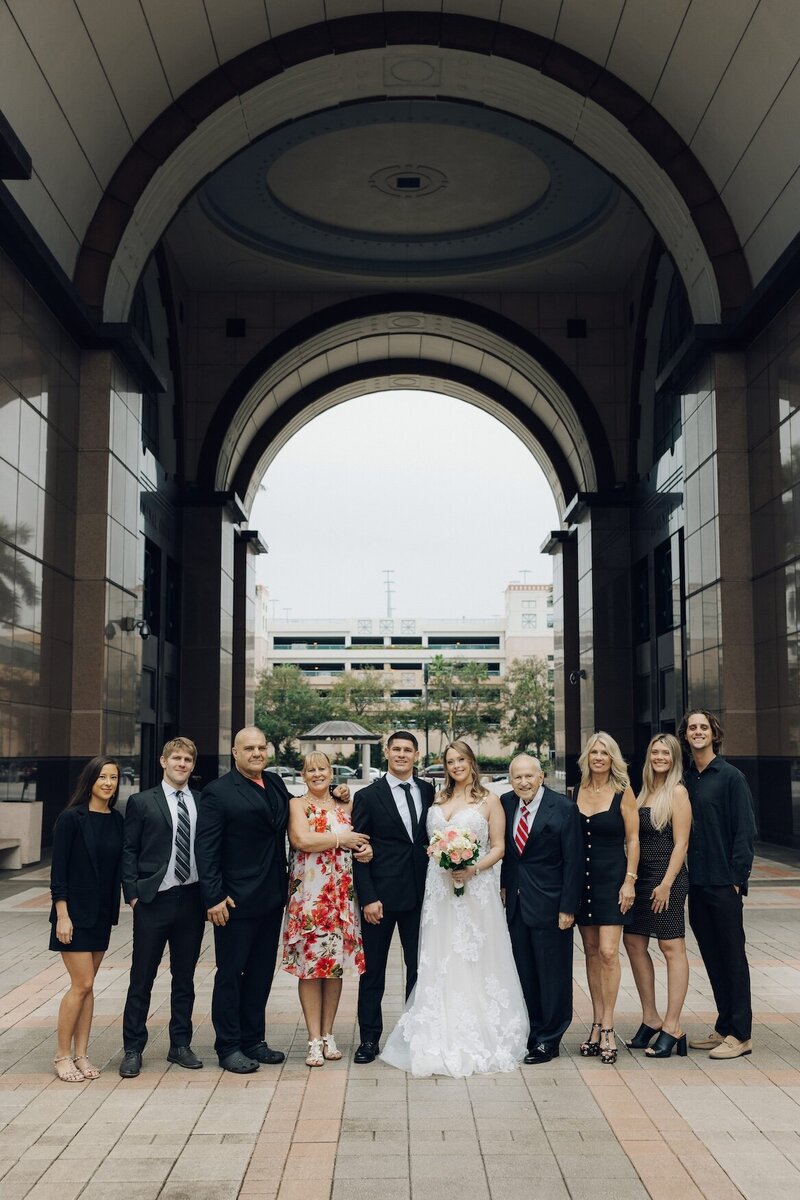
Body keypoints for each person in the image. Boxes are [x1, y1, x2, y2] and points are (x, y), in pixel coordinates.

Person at [382, 740, 528, 1076]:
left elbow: (499, 847)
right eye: (450, 761)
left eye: (461, 759)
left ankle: (482, 1027)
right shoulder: (438, 797)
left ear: (472, 761)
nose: (456, 765)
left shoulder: (489, 800)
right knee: (440, 955)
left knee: (474, 955)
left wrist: (473, 867)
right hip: (439, 891)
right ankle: (437, 1026)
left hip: (475, 889)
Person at [194, 726, 293, 1074]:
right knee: (231, 974)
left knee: (261, 973)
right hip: (234, 901)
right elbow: (205, 850)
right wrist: (214, 896)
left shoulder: (277, 784)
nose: (256, 753)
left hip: (271, 897)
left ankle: (254, 1040)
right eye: (248, 748)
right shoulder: (217, 793)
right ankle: (229, 1046)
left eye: (261, 747)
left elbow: (300, 814)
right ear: (234, 753)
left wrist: (339, 795)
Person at [119, 736, 207, 1078]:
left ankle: (180, 1044)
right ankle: (132, 1048)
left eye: (188, 759)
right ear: (163, 762)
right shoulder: (142, 802)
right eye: (176, 759)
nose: (182, 764)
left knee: (184, 977)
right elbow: (129, 849)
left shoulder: (201, 801)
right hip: (154, 900)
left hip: (191, 900)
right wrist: (133, 894)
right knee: (142, 976)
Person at [282, 752, 372, 1066]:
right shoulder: (297, 805)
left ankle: (328, 1034)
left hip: (342, 899)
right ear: (303, 775)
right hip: (309, 899)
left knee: (335, 970)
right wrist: (340, 838)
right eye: (311, 770)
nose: (317, 774)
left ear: (331, 773)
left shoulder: (344, 805)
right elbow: (302, 839)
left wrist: (363, 847)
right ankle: (312, 1039)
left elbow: (360, 841)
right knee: (310, 971)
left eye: (322, 769)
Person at [351, 730, 434, 1063]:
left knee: (419, 969)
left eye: (408, 750)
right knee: (373, 972)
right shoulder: (369, 796)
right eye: (396, 749)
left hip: (420, 897)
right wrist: (368, 897)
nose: (401, 754)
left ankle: (414, 1035)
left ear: (416, 755)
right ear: (386, 753)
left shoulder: (428, 790)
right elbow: (359, 847)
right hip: (379, 900)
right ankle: (369, 1039)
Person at [679, 709, 756, 1060]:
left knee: (732, 958)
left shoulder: (730, 777)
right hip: (697, 884)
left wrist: (738, 881)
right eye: (692, 727)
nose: (698, 732)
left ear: (714, 733)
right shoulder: (685, 779)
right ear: (686, 734)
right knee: (711, 956)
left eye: (703, 727)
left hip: (724, 883)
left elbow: (745, 831)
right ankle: (724, 1026)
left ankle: (741, 1034)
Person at [500, 754, 582, 1064]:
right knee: (526, 973)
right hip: (517, 905)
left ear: (541, 776)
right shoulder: (506, 804)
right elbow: (509, 855)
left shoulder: (563, 808)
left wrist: (568, 907)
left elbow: (573, 862)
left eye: (529, 776)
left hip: (552, 904)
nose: (523, 782)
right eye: (517, 777)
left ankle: (551, 1037)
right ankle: (533, 1032)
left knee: (553, 974)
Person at [49, 757, 124, 1082]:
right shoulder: (71, 818)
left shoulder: (117, 820)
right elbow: (59, 871)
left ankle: (82, 1054)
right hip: (74, 915)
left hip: (101, 915)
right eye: (103, 777)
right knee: (82, 984)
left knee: (89, 987)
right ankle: (62, 1056)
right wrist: (62, 915)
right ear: (90, 780)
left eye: (114, 778)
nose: (108, 783)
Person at [623, 734, 691, 1058]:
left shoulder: (677, 792)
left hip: (668, 880)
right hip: (641, 878)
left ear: (674, 757)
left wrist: (666, 883)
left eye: (666, 752)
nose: (660, 757)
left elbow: (681, 843)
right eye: (655, 752)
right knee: (634, 943)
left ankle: (673, 1026)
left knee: (670, 946)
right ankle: (650, 1017)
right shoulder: (644, 791)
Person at [575, 731, 640, 1065]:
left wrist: (630, 881)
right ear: (587, 757)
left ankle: (610, 1026)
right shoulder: (578, 790)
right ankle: (597, 1023)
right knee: (589, 952)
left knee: (608, 952)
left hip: (613, 881)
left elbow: (633, 839)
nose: (598, 757)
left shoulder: (622, 791)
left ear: (613, 758)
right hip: (583, 883)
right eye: (594, 752)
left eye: (604, 752)